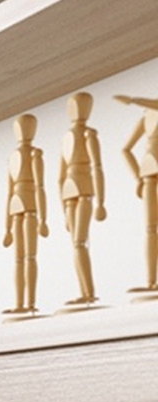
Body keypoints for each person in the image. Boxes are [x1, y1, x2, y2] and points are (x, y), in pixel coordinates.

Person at [58, 92, 106, 307]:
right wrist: (62, 212)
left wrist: (101, 202)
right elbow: (60, 177)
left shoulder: (89, 135)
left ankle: (89, 292)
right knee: (76, 245)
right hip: (70, 193)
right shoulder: (67, 137)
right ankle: (85, 292)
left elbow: (97, 167)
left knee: (79, 243)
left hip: (85, 191)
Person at [3, 113, 49, 316]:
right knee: (19, 259)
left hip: (30, 207)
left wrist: (43, 219)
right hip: (16, 207)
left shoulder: (35, 155)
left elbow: (40, 186)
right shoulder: (13, 156)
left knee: (30, 257)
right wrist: (6, 229)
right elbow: (9, 191)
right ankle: (20, 303)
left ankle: (30, 302)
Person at [116, 95, 158, 295]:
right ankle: (151, 281)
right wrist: (138, 177)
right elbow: (125, 150)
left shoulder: (149, 109)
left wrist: (133, 100)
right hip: (148, 172)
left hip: (150, 171)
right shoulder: (146, 117)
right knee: (150, 228)